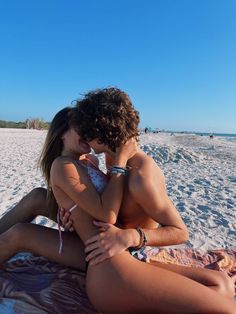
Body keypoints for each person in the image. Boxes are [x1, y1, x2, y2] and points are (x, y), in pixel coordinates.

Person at [0, 91, 235, 313]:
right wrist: (70, 208)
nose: (84, 130)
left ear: (101, 133)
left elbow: (175, 230)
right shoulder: (85, 163)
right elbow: (104, 212)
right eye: (78, 124)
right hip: (111, 269)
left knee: (221, 285)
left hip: (122, 256)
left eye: (87, 126)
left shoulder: (117, 169)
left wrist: (130, 236)